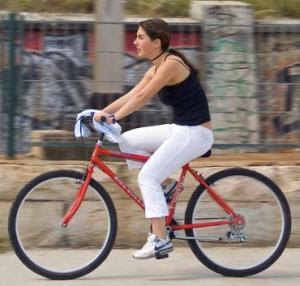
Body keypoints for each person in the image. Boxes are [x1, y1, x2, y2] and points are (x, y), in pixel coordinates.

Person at [94, 18, 213, 259]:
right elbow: (132, 94)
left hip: (196, 133)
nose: (135, 42)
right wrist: (101, 113)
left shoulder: (171, 64)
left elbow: (142, 98)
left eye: (140, 37)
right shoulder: (156, 67)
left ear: (156, 42)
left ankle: (160, 239)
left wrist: (113, 118)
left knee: (147, 176)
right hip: (180, 129)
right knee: (127, 140)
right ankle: (166, 187)